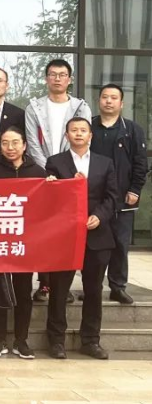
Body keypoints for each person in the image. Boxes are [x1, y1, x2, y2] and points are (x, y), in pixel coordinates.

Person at [44, 117, 118, 360]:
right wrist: (54, 185)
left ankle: (91, 340)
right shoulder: (55, 162)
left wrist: (99, 216)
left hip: (97, 235)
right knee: (59, 289)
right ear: (66, 136)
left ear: (90, 135)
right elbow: (49, 199)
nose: (78, 134)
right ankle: (56, 341)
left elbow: (112, 197)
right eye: (73, 130)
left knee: (94, 290)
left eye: (83, 130)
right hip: (65, 236)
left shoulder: (105, 163)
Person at [25, 59, 92, 302]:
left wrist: (64, 172)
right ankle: (44, 283)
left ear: (69, 79)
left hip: (71, 177)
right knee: (44, 231)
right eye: (52, 74)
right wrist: (48, 171)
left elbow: (83, 138)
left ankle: (63, 285)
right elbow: (32, 143)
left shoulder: (80, 107)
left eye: (62, 74)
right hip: (44, 177)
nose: (57, 78)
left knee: (67, 231)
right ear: (46, 78)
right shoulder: (34, 107)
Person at [0, 127, 45, 360]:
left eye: (15, 142)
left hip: (25, 242)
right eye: (5, 143)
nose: (10, 147)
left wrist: (53, 184)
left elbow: (46, 205)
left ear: (24, 145)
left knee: (23, 291)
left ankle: (21, 340)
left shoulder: (37, 171)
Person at [92, 84, 148, 305]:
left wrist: (135, 189)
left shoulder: (132, 129)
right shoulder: (89, 127)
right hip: (95, 197)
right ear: (99, 101)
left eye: (113, 97)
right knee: (94, 246)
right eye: (105, 97)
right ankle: (92, 287)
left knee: (120, 244)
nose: (108, 101)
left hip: (123, 196)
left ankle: (117, 286)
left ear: (121, 103)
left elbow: (140, 162)